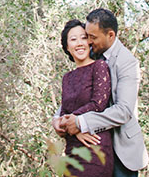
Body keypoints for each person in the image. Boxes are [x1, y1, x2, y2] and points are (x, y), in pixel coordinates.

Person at [61, 8, 149, 177]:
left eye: (92, 37)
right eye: (87, 36)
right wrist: (60, 120)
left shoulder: (127, 63)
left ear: (110, 35)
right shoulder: (92, 54)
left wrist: (80, 122)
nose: (88, 42)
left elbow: (123, 111)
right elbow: (76, 94)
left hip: (122, 149)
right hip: (91, 145)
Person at [53, 19, 114, 177]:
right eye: (73, 39)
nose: (79, 43)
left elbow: (98, 104)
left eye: (83, 37)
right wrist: (74, 129)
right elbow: (63, 112)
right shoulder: (67, 77)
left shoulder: (99, 67)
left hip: (95, 147)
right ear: (67, 47)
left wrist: (76, 122)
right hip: (72, 151)